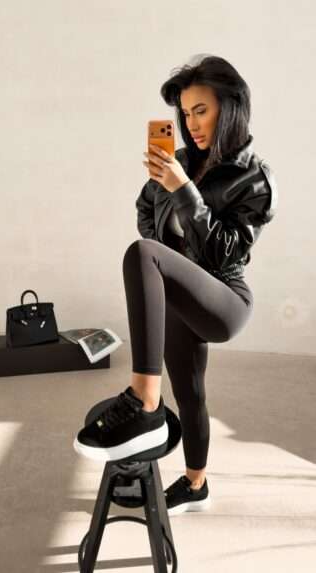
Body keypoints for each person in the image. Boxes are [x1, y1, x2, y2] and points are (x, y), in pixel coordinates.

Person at [73, 54, 278, 515]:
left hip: (224, 298)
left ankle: (145, 402)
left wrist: (184, 190)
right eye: (185, 114)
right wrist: (169, 256)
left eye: (200, 110)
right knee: (190, 391)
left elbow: (225, 253)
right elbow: (145, 208)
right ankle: (195, 484)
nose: (191, 124)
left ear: (230, 107)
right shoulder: (180, 160)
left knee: (141, 253)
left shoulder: (255, 179)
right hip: (178, 289)